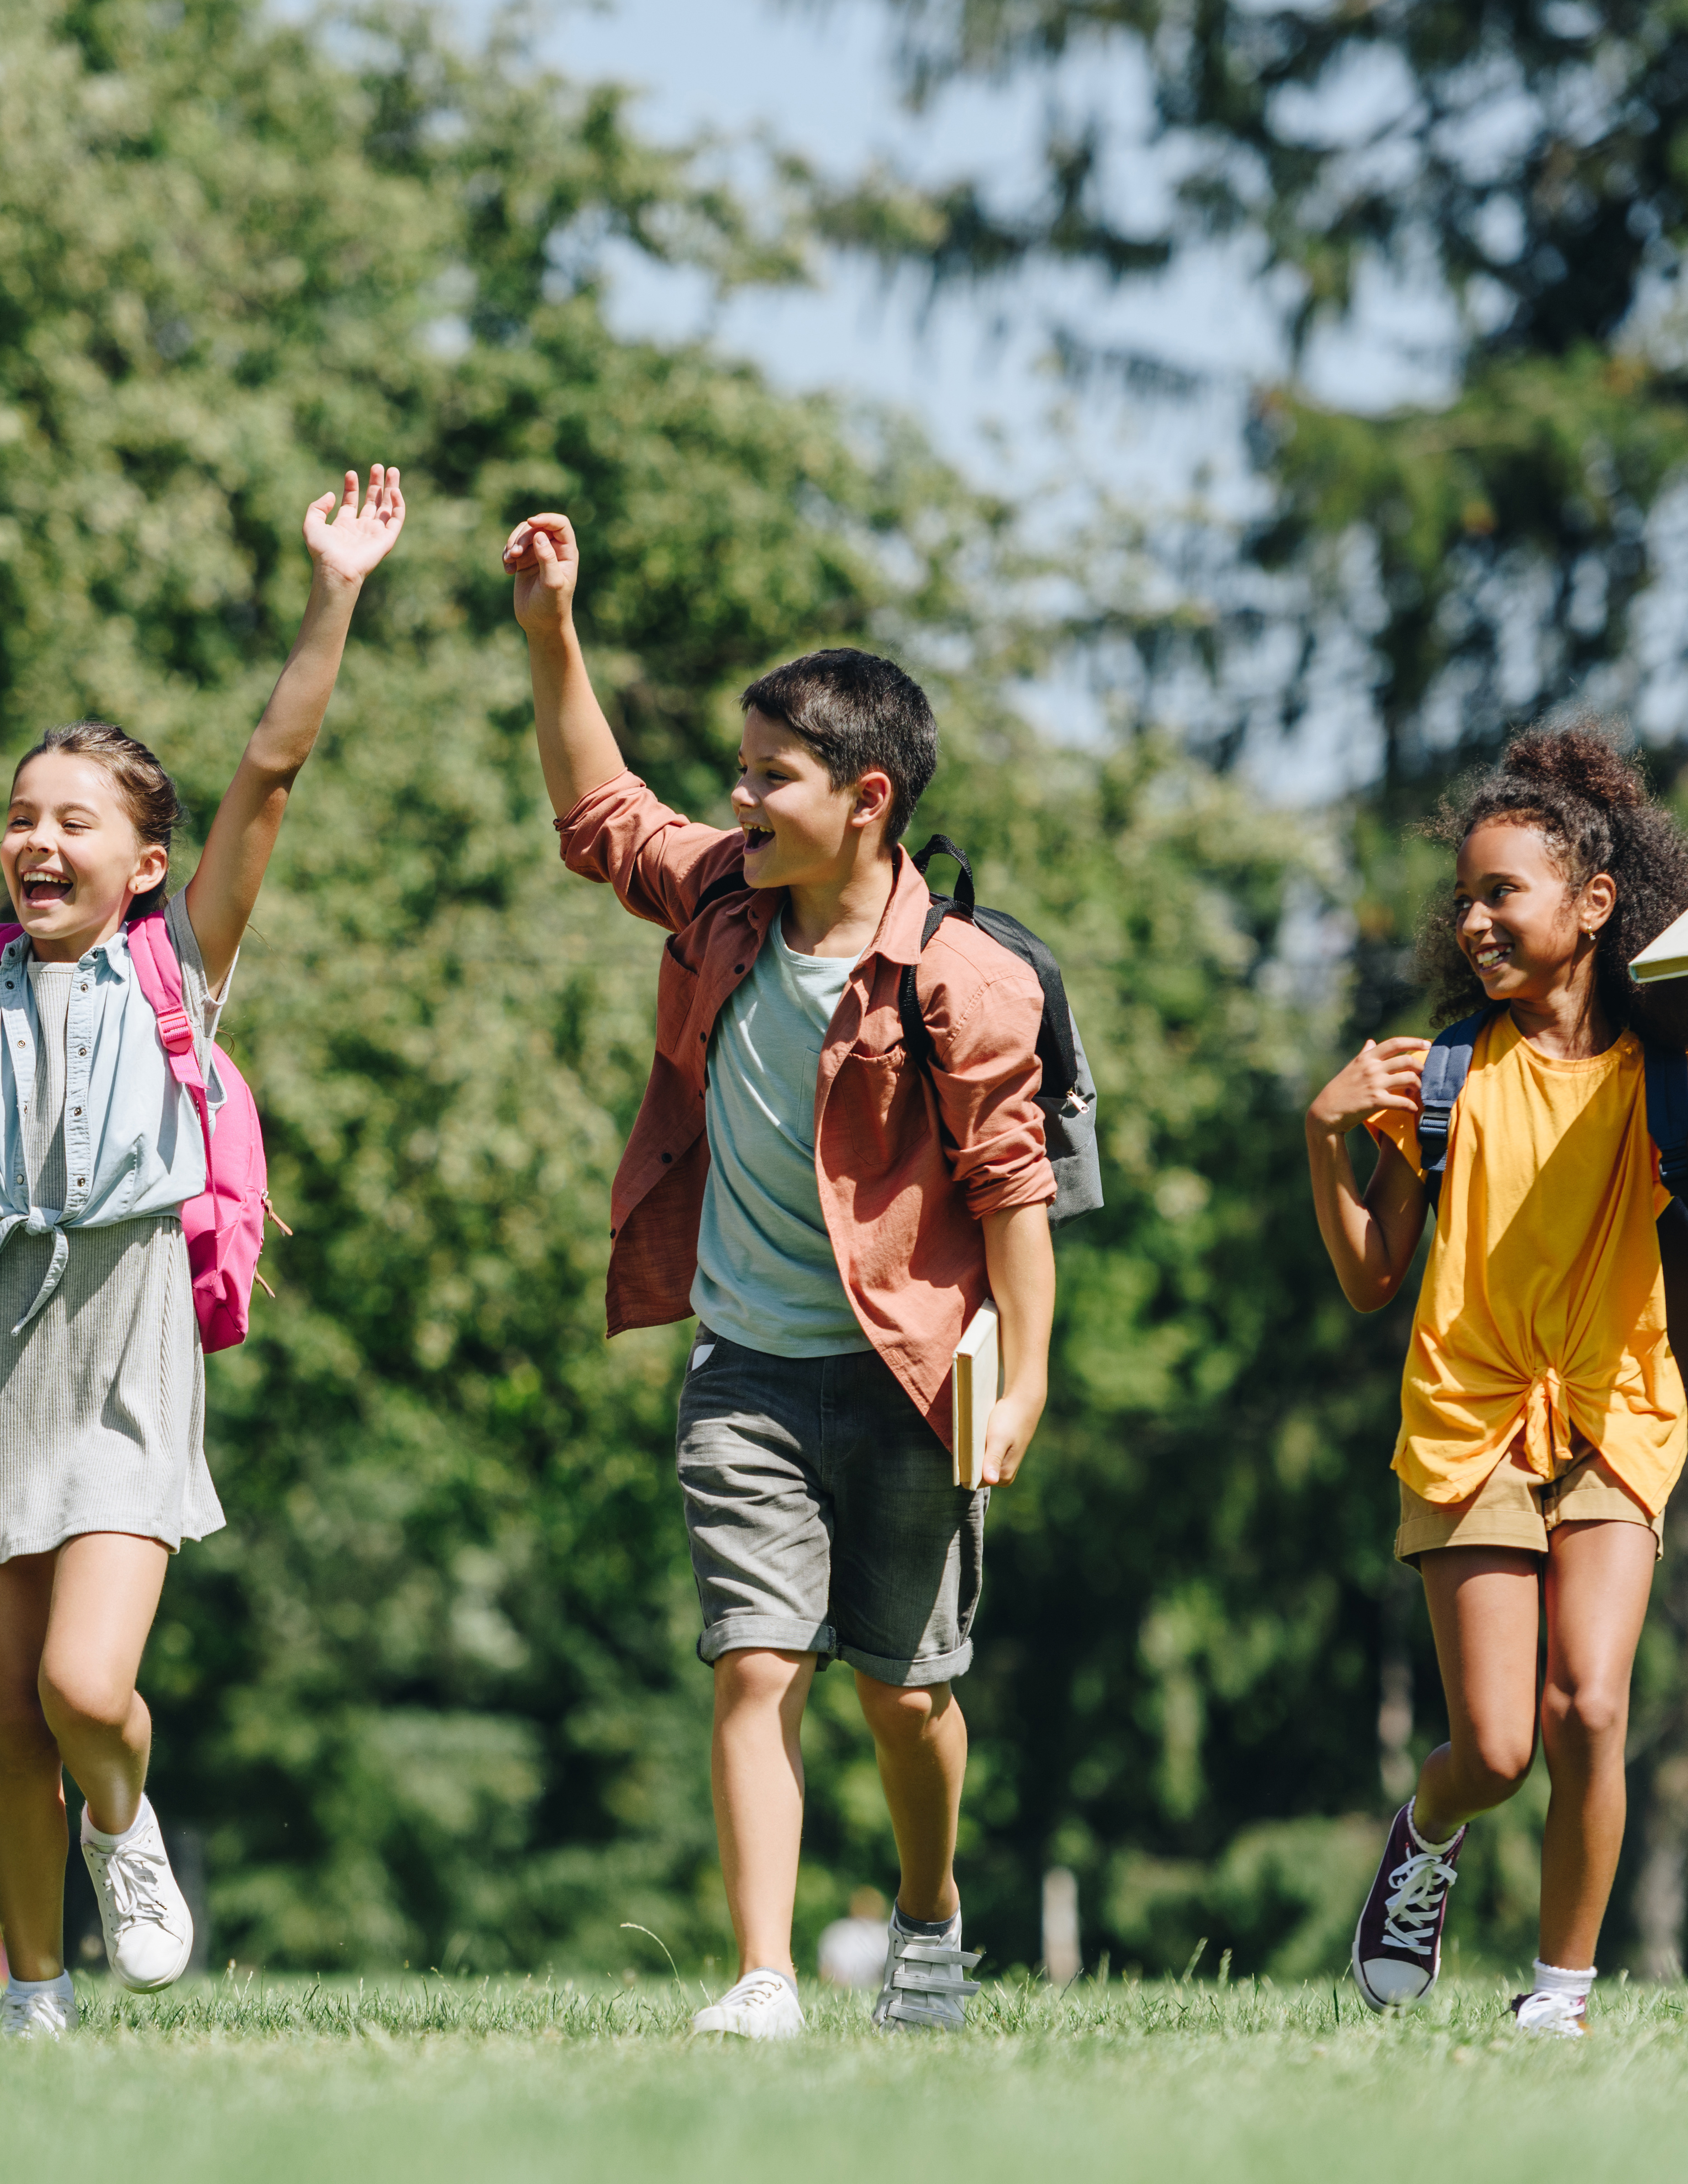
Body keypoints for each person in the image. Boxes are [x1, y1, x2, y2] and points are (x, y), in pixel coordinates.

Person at [0, 465, 409, 2038]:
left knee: (85, 1691)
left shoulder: (181, 967)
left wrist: (332, 590)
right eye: (18, 816)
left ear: (144, 860)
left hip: (125, 1336)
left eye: (71, 820)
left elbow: (269, 768)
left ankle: (122, 1821)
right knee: (5, 1708)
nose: (31, 839)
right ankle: (32, 1994)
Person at [501, 512, 1059, 2040]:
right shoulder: (717, 902)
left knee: (903, 1692)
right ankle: (759, 1977)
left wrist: (1016, 1392)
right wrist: (553, 626)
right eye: (738, 773)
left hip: (910, 1375)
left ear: (866, 800)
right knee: (754, 1664)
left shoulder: (964, 982)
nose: (735, 798)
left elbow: (1015, 1202)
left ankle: (928, 1916)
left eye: (769, 777)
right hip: (744, 1367)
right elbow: (600, 813)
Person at [1305, 726, 1688, 2038]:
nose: (1473, 919)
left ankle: (1559, 1992)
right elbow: (1372, 1276)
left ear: (1591, 906)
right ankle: (1426, 1834)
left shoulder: (1655, 1072)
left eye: (1502, 893)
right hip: (1465, 1420)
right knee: (1493, 1746)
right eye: (1465, 896)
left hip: (1611, 1408)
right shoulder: (1430, 1079)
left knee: (1588, 1699)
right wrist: (1323, 1138)